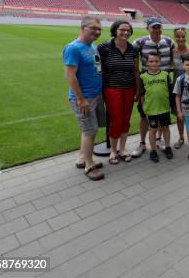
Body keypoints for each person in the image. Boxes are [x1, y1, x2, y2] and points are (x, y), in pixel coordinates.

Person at [63, 16, 104, 181]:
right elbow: (70, 76)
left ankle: (82, 158)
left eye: (99, 29)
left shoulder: (93, 46)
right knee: (89, 130)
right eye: (93, 28)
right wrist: (81, 99)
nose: (97, 32)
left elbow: (97, 68)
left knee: (90, 130)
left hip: (95, 95)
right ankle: (89, 165)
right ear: (83, 27)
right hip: (84, 98)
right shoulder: (73, 48)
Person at [97, 20, 139, 165]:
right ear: (115, 30)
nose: (125, 33)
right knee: (117, 121)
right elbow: (97, 68)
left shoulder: (133, 49)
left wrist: (138, 90)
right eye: (122, 30)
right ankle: (113, 151)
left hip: (130, 88)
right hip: (111, 88)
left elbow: (135, 71)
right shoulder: (104, 47)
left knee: (126, 121)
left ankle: (122, 150)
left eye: (128, 30)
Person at [131, 17, 174, 157]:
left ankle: (158, 140)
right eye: (153, 27)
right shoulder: (139, 42)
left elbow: (175, 58)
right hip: (147, 84)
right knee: (144, 115)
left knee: (162, 114)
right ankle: (142, 144)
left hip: (163, 84)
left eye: (158, 27)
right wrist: (138, 89)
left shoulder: (168, 41)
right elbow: (133, 64)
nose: (156, 29)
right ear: (148, 28)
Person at [139, 52, 172, 162]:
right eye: (151, 61)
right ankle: (153, 150)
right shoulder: (143, 77)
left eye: (156, 61)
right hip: (151, 110)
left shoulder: (166, 75)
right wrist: (144, 107)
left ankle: (167, 147)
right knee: (152, 130)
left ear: (160, 62)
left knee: (166, 128)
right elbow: (142, 95)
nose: (154, 63)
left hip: (164, 108)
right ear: (147, 63)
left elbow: (170, 91)